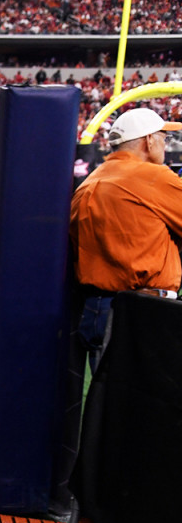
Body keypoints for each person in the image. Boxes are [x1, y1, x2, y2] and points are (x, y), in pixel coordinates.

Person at [70, 107, 182, 371]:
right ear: (148, 140)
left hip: (96, 308)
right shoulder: (152, 177)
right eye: (163, 137)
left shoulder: (91, 180)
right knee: (143, 406)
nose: (166, 143)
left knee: (106, 404)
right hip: (141, 309)